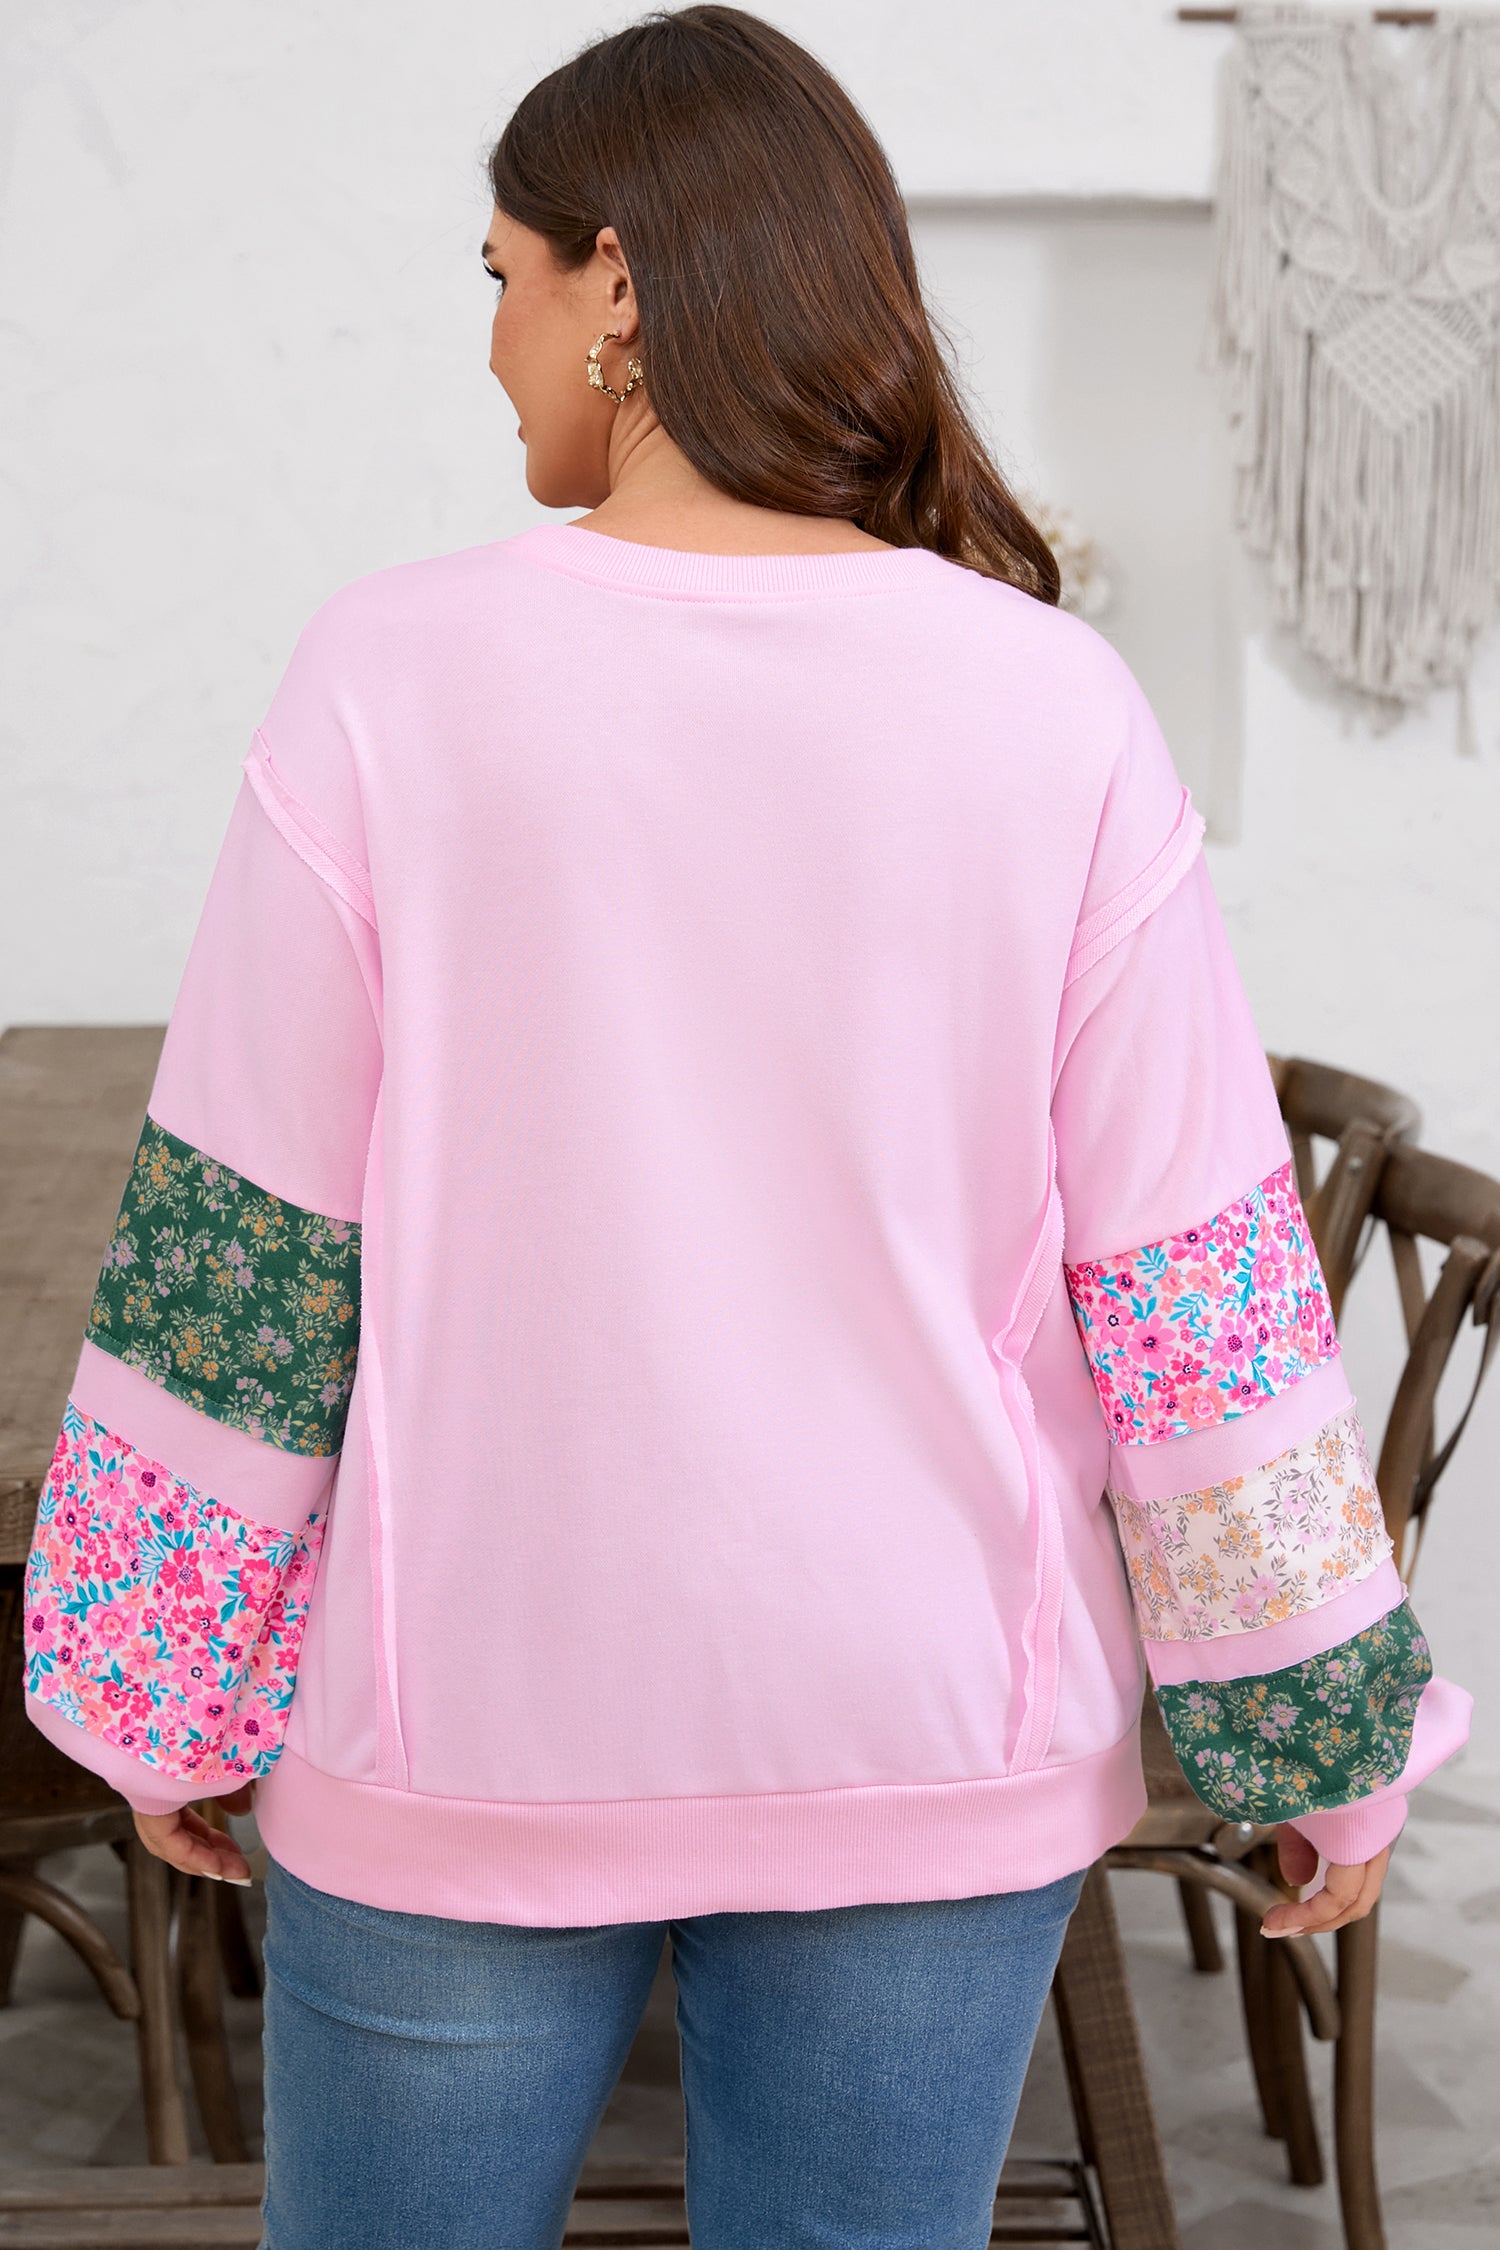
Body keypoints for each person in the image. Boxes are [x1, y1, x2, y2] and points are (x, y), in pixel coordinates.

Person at [22, 7, 1471, 2247]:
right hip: (932, 1731)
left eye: (499, 277)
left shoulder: (385, 683)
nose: (489, 343)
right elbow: (1196, 1293)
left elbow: (249, 1255)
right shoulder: (1055, 708)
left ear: (614, 279)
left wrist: (164, 1699)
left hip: (463, 1730)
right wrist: (1321, 1738)